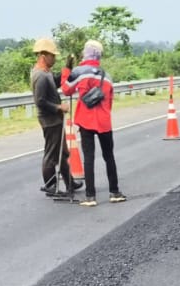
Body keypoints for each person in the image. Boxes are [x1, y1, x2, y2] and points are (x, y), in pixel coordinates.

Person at [62, 40, 125, 207]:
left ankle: (90, 196)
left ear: (86, 53)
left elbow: (66, 89)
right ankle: (115, 192)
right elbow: (110, 100)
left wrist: (66, 70)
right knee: (109, 156)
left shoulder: (79, 71)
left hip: (86, 120)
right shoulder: (107, 76)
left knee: (88, 158)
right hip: (104, 121)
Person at [30, 37, 73, 199]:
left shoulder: (46, 73)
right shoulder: (40, 76)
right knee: (51, 154)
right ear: (43, 55)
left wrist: (66, 69)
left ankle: (70, 182)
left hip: (55, 119)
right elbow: (40, 101)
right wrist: (58, 107)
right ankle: (50, 185)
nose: (54, 58)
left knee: (62, 152)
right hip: (50, 120)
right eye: (52, 56)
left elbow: (55, 84)